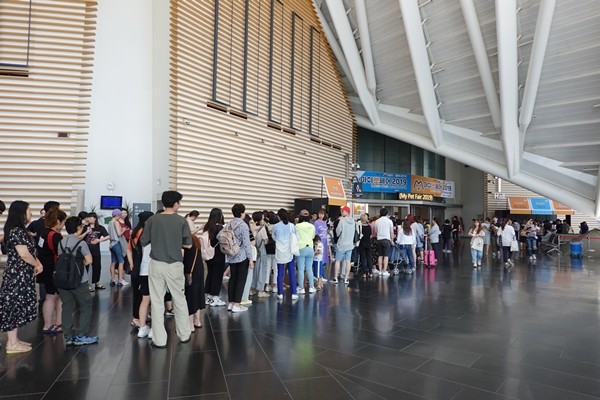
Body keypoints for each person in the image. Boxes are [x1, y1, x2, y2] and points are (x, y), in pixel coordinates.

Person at [140, 190, 193, 348]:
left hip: (156, 264)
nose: (180, 205)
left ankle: (159, 340)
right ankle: (184, 335)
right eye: (179, 202)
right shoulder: (181, 221)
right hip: (175, 266)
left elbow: (143, 241)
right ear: (176, 203)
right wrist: (176, 243)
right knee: (179, 300)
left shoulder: (152, 219)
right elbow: (189, 244)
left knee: (156, 302)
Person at [0, 201, 43, 353]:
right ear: (21, 213)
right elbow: (24, 254)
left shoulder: (19, 230)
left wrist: (37, 262)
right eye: (29, 210)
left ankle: (15, 339)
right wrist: (37, 265)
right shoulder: (16, 231)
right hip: (16, 275)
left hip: (22, 275)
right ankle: (11, 344)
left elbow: (28, 252)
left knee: (18, 306)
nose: (31, 213)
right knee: (13, 307)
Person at [58, 216, 98, 346]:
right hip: (79, 280)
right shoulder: (81, 243)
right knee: (85, 306)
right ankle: (81, 335)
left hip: (62, 279)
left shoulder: (61, 242)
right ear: (78, 228)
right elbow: (90, 260)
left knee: (67, 307)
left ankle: (68, 336)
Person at [217, 203, 253, 312]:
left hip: (231, 255)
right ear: (242, 212)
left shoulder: (230, 223)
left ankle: (231, 303)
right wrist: (251, 258)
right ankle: (237, 305)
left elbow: (219, 235)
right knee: (241, 280)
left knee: (233, 279)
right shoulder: (243, 225)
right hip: (242, 256)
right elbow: (247, 243)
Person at [38, 207, 67, 334]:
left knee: (55, 296)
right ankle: (48, 325)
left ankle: (58, 323)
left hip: (45, 269)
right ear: (58, 221)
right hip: (54, 270)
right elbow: (61, 253)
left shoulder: (43, 233)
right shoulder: (55, 236)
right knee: (51, 297)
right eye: (63, 222)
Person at [129, 211, 153, 337]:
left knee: (143, 297)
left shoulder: (135, 233)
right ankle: (148, 326)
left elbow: (130, 250)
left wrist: (132, 264)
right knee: (152, 299)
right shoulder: (148, 234)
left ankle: (141, 323)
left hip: (140, 268)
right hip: (149, 269)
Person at [272, 208, 298, 300]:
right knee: (291, 271)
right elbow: (297, 237)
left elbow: (273, 237)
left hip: (279, 251)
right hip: (290, 251)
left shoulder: (275, 226)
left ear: (278, 217)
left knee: (280, 272)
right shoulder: (292, 226)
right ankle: (294, 293)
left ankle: (280, 293)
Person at [203, 208, 227, 307]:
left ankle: (209, 296)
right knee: (217, 276)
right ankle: (215, 297)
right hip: (218, 255)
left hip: (209, 254)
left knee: (210, 274)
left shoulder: (207, 226)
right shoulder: (221, 228)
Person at [183, 235, 205, 332]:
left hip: (189, 271)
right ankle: (198, 321)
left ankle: (190, 324)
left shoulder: (185, 241)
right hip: (199, 269)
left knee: (190, 295)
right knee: (199, 293)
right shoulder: (196, 239)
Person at [84, 212, 109, 290]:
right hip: (86, 250)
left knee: (97, 267)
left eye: (91, 217)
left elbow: (107, 236)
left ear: (95, 218)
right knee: (86, 266)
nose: (89, 219)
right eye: (88, 217)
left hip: (96, 250)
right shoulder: (85, 227)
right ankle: (86, 283)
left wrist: (99, 240)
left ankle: (97, 282)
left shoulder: (100, 228)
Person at [333, 206, 358, 285]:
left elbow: (338, 232)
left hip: (341, 244)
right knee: (348, 261)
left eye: (343, 211)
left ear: (347, 212)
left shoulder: (342, 221)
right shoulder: (353, 222)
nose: (341, 212)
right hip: (350, 245)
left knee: (338, 261)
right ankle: (346, 278)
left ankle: (335, 278)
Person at [296, 211, 316, 294]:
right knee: (309, 269)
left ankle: (301, 288)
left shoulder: (297, 226)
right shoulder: (312, 226)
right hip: (310, 248)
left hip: (301, 248)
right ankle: (312, 287)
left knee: (301, 269)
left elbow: (296, 237)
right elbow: (313, 236)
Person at [108, 209, 128, 287]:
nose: (120, 217)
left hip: (111, 244)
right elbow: (119, 234)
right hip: (117, 243)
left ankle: (113, 279)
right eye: (119, 215)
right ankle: (120, 280)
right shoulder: (116, 222)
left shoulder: (110, 222)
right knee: (121, 261)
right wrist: (123, 230)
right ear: (117, 215)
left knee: (113, 262)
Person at [374, 208, 394, 276]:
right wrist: (392, 240)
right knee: (386, 256)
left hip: (379, 239)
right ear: (387, 213)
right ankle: (384, 271)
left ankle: (380, 270)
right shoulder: (389, 221)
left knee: (380, 255)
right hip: (386, 239)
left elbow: (376, 232)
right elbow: (391, 232)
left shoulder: (377, 221)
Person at [313, 210, 329, 281]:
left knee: (323, 259)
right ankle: (317, 275)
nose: (321, 215)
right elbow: (315, 233)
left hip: (324, 243)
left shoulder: (325, 222)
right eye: (320, 214)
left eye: (322, 214)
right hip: (319, 242)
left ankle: (321, 275)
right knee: (318, 259)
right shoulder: (316, 222)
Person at [357, 213, 372, 278]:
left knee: (363, 258)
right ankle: (370, 272)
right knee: (369, 257)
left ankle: (364, 273)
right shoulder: (369, 226)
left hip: (362, 244)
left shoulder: (360, 227)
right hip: (368, 243)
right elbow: (371, 236)